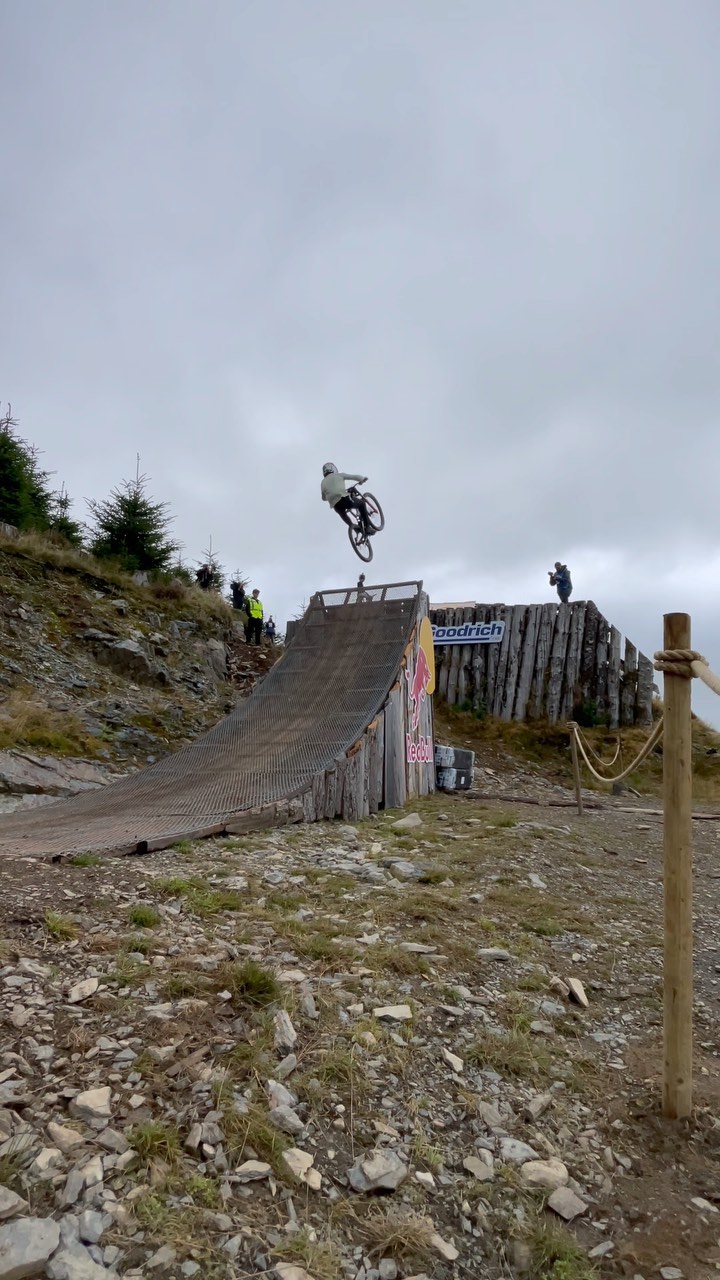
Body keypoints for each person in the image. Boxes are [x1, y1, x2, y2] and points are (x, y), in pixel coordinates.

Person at [321, 462, 369, 531]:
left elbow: (323, 498)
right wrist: (362, 479)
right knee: (362, 504)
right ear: (333, 469)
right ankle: (367, 527)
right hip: (344, 499)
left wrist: (330, 496)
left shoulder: (322, 483)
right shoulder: (339, 475)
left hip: (336, 506)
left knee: (344, 516)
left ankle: (355, 529)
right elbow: (353, 477)